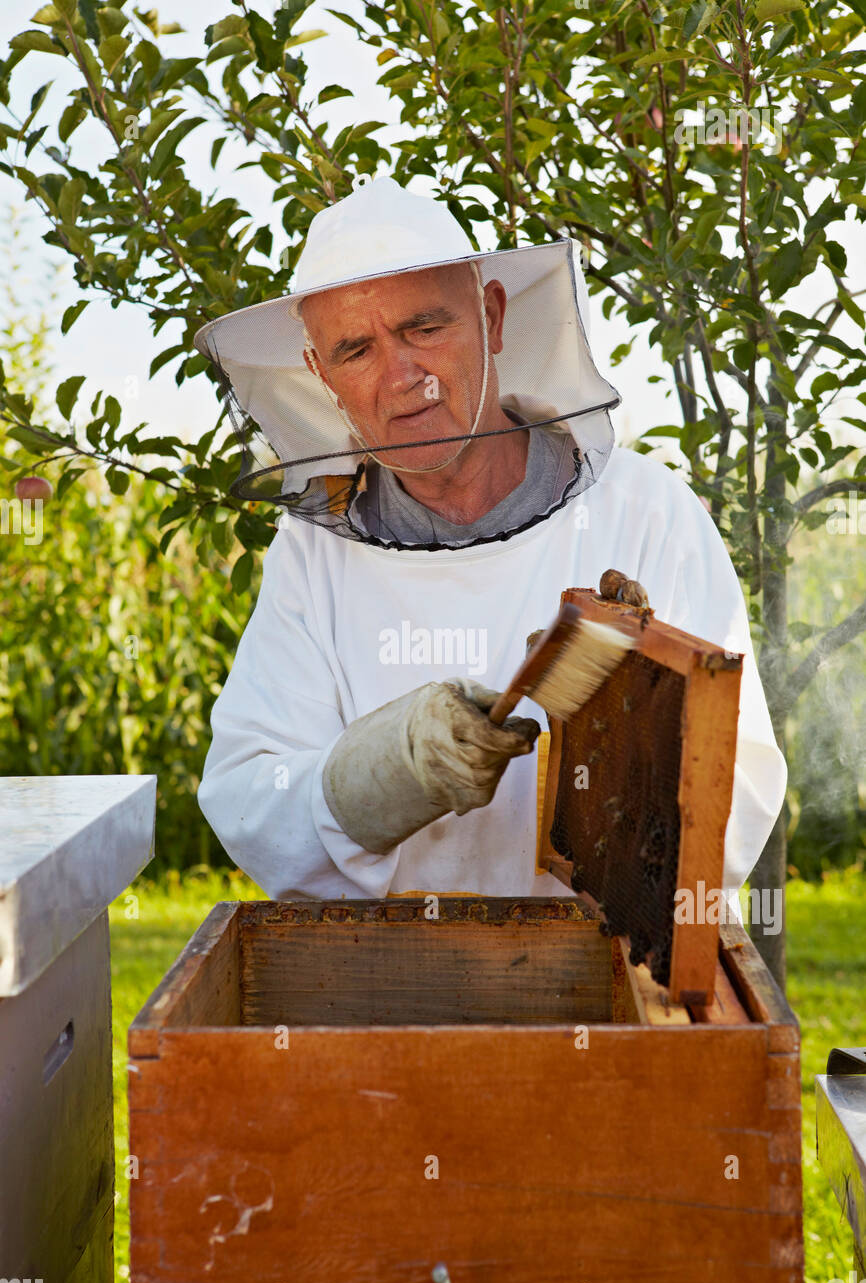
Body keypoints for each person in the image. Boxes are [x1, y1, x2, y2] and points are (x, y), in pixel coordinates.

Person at [193, 176, 786, 902]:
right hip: (396, 984)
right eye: (356, 350)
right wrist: (378, 777)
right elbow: (250, 795)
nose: (402, 376)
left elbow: (741, 774)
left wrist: (636, 744)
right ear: (322, 375)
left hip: (606, 978)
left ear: (493, 317)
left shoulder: (647, 511)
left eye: (424, 327)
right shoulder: (313, 553)